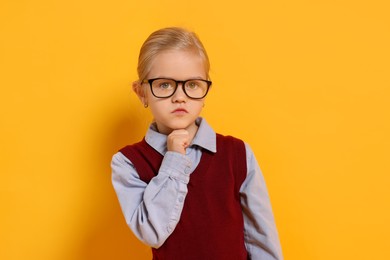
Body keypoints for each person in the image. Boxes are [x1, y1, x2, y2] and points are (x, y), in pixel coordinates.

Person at [111, 27, 283, 260]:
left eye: (192, 85)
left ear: (204, 91)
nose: (179, 96)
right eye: (164, 85)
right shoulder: (128, 162)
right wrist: (174, 159)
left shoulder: (238, 153)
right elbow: (152, 232)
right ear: (142, 92)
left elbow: (260, 236)